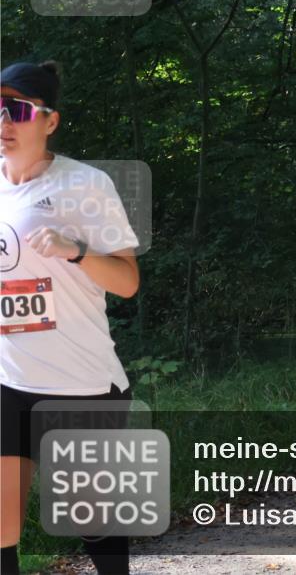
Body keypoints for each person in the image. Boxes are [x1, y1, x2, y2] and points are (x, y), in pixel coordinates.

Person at [1, 61, 140, 575]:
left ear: (50, 121)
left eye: (16, 110)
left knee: (93, 522)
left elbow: (127, 282)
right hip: (10, 380)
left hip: (80, 384)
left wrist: (75, 251)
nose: (3, 122)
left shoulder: (86, 183)